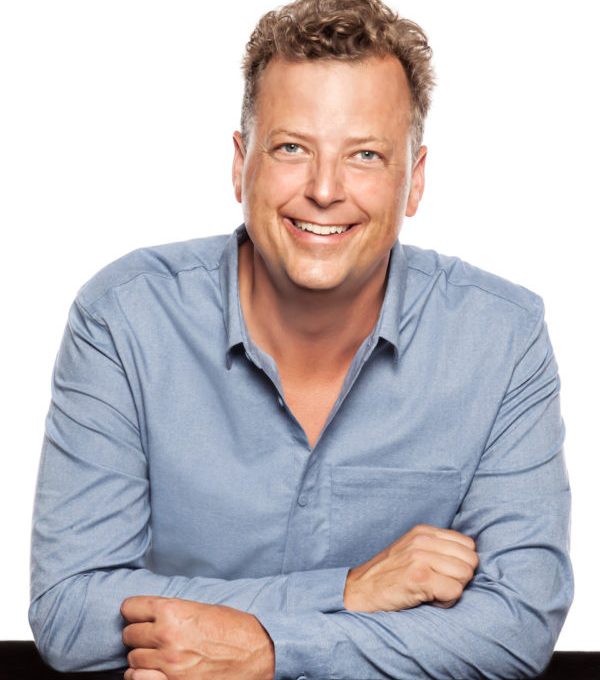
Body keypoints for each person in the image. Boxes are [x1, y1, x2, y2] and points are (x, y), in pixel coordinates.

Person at [29, 0, 573, 678]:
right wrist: (347, 591)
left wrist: (271, 649)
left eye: (366, 155)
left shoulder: (501, 338)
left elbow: (518, 625)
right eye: (292, 148)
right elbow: (71, 611)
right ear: (241, 164)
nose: (324, 189)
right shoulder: (125, 318)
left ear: (415, 180)